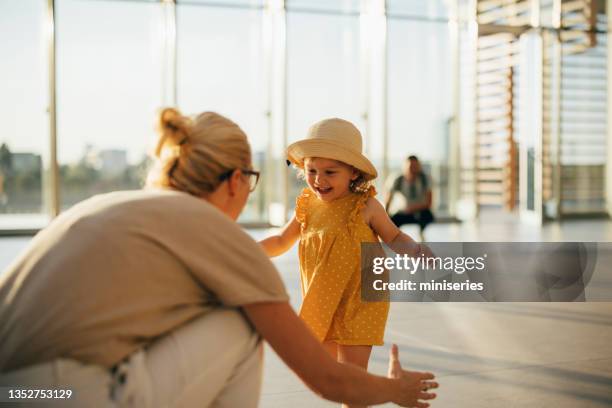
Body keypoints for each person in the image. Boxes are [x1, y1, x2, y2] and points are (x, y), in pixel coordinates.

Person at [0, 109, 438, 407]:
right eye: (251, 179)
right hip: (54, 395)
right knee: (241, 325)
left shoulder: (120, 207)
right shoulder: (216, 238)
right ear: (234, 180)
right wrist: (395, 390)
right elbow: (327, 377)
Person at [259, 118, 428, 408]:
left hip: (359, 301)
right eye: (311, 171)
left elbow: (394, 235)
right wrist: (243, 250)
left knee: (351, 381)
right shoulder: (307, 205)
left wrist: (414, 249)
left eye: (330, 172)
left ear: (352, 173)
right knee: (330, 381)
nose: (319, 180)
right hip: (322, 299)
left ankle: (383, 390)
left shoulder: (366, 207)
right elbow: (281, 241)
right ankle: (390, 385)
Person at [384, 156, 435, 241]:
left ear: (419, 167)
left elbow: (429, 203)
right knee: (393, 219)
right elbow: (388, 199)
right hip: (403, 212)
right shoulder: (397, 179)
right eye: (410, 166)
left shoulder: (425, 179)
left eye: (415, 166)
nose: (413, 169)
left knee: (428, 216)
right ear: (404, 167)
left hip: (419, 211)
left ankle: (421, 232)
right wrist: (386, 216)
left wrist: (413, 208)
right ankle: (395, 236)